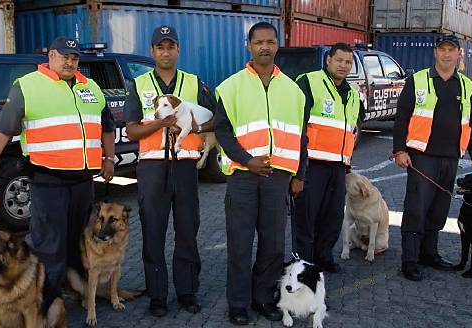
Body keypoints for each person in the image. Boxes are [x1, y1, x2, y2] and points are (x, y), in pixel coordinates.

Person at [0, 36, 115, 294]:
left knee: (79, 243)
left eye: (74, 57)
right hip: (48, 183)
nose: (70, 62)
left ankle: (78, 294)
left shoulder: (90, 87)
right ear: (51, 56)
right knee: (48, 246)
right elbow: (2, 133)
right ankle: (46, 303)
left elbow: (107, 128)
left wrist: (109, 158)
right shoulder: (27, 86)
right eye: (64, 56)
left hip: (83, 183)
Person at [214, 22, 307, 325]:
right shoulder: (231, 87)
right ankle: (238, 304)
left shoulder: (293, 91)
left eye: (270, 41)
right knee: (240, 243)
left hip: (277, 178)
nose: (264, 47)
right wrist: (246, 160)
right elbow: (223, 132)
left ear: (277, 45)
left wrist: (299, 174)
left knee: (273, 244)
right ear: (249, 46)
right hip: (242, 176)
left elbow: (301, 137)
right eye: (259, 42)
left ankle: (264, 297)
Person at [123, 25, 215, 317]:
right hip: (152, 169)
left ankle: (187, 292)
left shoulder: (194, 82)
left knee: (187, 230)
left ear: (178, 50)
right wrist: (159, 125)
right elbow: (132, 130)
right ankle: (158, 296)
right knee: (153, 233)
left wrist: (198, 128)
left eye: (170, 46)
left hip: (186, 166)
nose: (165, 52)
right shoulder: (138, 85)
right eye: (160, 47)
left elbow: (215, 118)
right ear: (152, 51)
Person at [393, 34, 472, 282]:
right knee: (416, 209)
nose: (446, 54)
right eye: (442, 49)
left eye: (451, 50)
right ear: (435, 52)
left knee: (438, 209)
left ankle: (429, 254)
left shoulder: (466, 85)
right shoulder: (418, 80)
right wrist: (399, 150)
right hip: (422, 157)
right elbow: (402, 117)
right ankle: (410, 261)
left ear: (458, 54)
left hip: (451, 158)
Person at [293, 43, 364, 273]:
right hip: (311, 163)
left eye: (348, 62)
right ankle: (304, 263)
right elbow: (297, 125)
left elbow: (351, 127)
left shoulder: (352, 94)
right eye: (339, 60)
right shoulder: (309, 82)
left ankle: (323, 257)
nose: (343, 66)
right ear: (328, 60)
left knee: (332, 217)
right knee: (306, 218)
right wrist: (297, 168)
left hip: (338, 166)